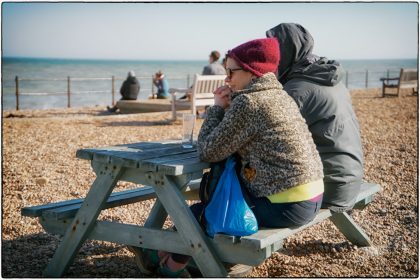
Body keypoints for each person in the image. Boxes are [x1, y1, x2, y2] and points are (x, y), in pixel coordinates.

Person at [128, 38, 324, 277]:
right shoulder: (280, 96)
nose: (226, 78)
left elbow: (208, 151)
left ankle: (167, 265)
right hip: (311, 198)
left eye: (231, 71)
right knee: (210, 207)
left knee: (202, 213)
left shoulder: (250, 102)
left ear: (252, 72)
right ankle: (162, 254)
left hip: (286, 205)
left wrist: (217, 108)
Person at [266, 23, 364, 212]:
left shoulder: (297, 90)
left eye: (274, 51)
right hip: (350, 177)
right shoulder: (326, 77)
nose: (270, 59)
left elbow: (264, 139)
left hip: (331, 185)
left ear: (287, 50)